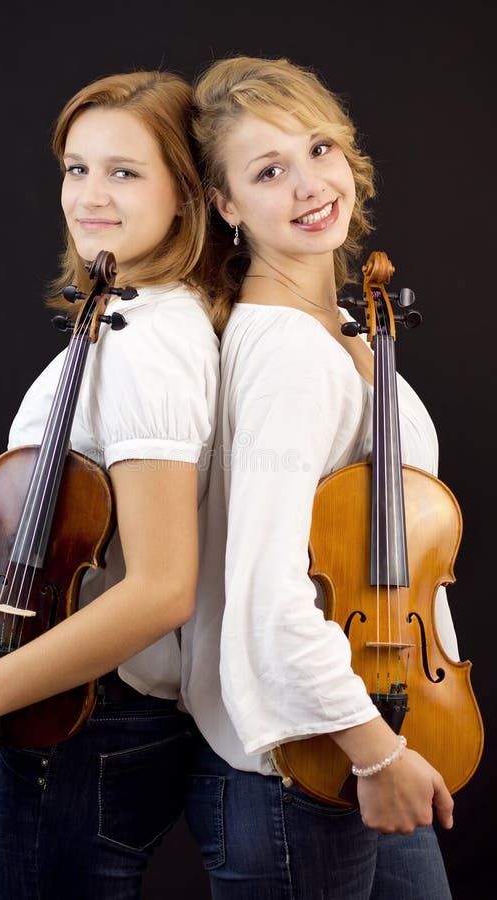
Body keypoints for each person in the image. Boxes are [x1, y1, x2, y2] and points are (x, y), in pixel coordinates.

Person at [0, 70, 219, 900]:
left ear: (187, 195)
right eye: (76, 168)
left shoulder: (150, 345)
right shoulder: (150, 315)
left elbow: (161, 588)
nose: (89, 195)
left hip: (84, 719)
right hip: (96, 709)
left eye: (124, 171)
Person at [179, 55, 460, 899]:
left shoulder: (335, 324)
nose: (311, 185)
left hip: (354, 739)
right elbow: (268, 596)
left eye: (320, 148)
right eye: (270, 171)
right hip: (308, 764)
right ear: (227, 207)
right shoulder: (288, 355)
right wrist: (376, 752)